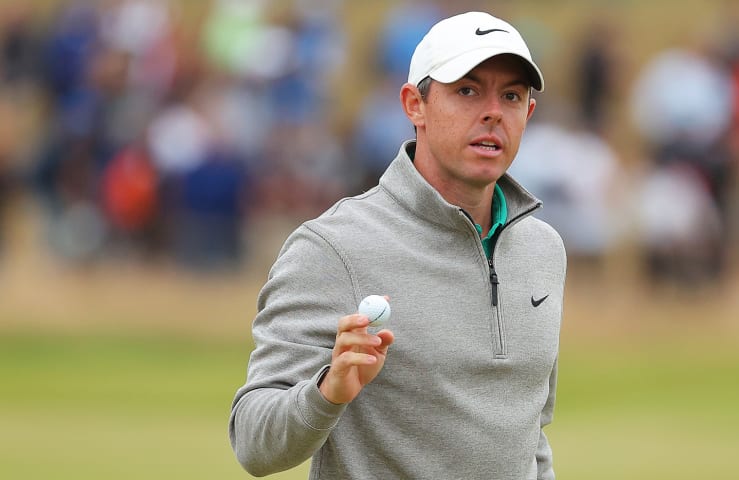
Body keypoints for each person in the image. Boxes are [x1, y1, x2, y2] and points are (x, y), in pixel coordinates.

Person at [229, 11, 566, 479]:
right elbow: (252, 443)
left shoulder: (542, 248)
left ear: (527, 113)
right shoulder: (332, 246)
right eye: (467, 90)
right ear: (414, 105)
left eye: (511, 95)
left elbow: (530, 433)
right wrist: (327, 392)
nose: (493, 111)